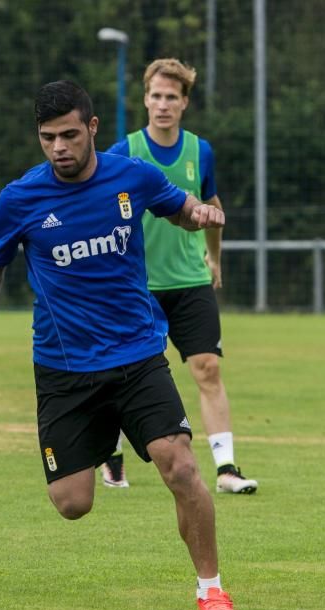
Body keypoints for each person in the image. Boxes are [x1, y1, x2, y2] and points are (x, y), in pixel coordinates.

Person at [0, 80, 239, 610]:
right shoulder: (20, 198)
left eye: (70, 134)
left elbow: (178, 206)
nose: (59, 147)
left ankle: (211, 588)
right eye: (48, 138)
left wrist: (200, 215)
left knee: (180, 465)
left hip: (137, 355)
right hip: (64, 369)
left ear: (92, 128)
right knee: (73, 504)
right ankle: (105, 430)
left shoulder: (130, 174)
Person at [100, 59, 257, 495]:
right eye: (156, 96)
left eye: (172, 97)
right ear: (145, 100)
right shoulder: (124, 152)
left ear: (184, 103)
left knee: (208, 369)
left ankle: (226, 468)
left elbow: (212, 204)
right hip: (136, 287)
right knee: (120, 374)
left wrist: (215, 258)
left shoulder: (200, 151)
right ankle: (110, 457)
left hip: (189, 281)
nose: (163, 104)